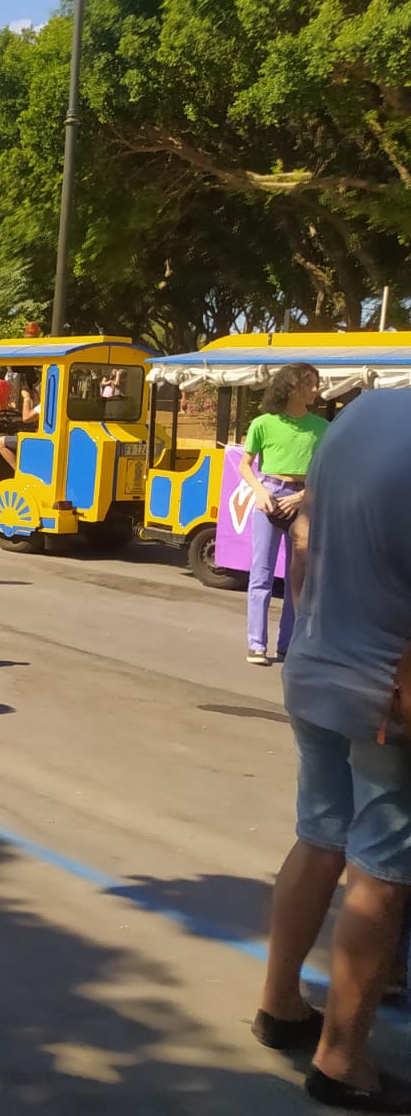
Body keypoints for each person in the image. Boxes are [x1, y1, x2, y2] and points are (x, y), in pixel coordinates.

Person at [252, 390, 411, 1111]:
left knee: (319, 836)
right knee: (382, 867)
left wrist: (313, 630)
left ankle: (279, 1004)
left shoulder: (361, 417)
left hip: (316, 656)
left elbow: (306, 535)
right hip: (389, 684)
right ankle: (343, 1059)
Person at [237, 362, 327, 666]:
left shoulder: (322, 427)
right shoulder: (263, 423)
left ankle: (288, 644)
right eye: (310, 383)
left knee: (296, 578)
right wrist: (260, 492)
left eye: (316, 383)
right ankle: (256, 644)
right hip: (269, 496)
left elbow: (326, 472)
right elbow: (245, 465)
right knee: (260, 573)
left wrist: (303, 496)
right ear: (291, 387)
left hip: (305, 500)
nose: (316, 389)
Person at [0, 369, 41, 469]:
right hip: (42, 438)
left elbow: (26, 418)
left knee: (0, 441)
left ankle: (19, 472)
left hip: (40, 441)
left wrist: (26, 399)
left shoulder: (47, 404)